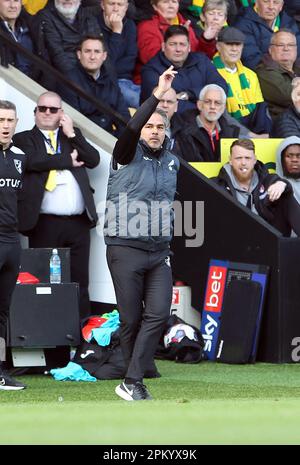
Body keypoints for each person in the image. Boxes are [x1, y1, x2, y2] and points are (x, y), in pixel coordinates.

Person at [104, 66, 179, 401]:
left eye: (160, 128)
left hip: (158, 251)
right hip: (124, 248)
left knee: (159, 313)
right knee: (130, 319)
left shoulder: (172, 161)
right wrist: (157, 95)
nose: (154, 131)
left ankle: (132, 380)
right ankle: (132, 378)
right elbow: (132, 127)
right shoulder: (125, 153)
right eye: (150, 126)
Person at [13, 91, 100, 320]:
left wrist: (72, 134)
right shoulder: (23, 139)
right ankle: (48, 332)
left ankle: (83, 335)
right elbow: (31, 161)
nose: (48, 113)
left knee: (80, 280)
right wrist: (66, 160)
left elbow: (93, 159)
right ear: (35, 113)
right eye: (43, 108)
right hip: (44, 223)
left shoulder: (70, 136)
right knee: (44, 280)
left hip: (79, 223)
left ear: (62, 113)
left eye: (53, 109)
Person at [215, 138, 300, 236]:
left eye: (247, 158)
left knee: (285, 196)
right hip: (235, 238)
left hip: (269, 240)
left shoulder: (267, 180)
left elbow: (277, 181)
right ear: (230, 160)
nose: (243, 162)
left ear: (254, 160)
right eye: (238, 158)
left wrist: (283, 184)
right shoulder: (218, 184)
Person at [141, 24, 227, 113]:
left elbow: (221, 87)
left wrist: (188, 94)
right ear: (163, 46)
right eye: (173, 44)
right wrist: (204, 103)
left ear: (189, 47)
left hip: (210, 117)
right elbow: (165, 105)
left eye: (182, 44)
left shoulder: (202, 60)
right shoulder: (151, 70)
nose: (178, 49)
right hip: (172, 123)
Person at [0, 100, 26, 390]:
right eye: (0, 120)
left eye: (10, 120)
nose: (5, 126)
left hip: (11, 239)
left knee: (2, 310)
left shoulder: (20, 156)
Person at [59, 34, 130, 136]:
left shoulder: (110, 79)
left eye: (97, 52)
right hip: (84, 139)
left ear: (104, 56)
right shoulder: (68, 80)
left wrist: (120, 141)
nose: (92, 57)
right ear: (79, 54)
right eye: (87, 51)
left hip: (110, 138)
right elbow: (73, 121)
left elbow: (124, 117)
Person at [213, 26, 272, 135]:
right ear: (218, 46)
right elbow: (221, 115)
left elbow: (260, 111)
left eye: (238, 44)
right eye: (229, 44)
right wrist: (250, 135)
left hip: (253, 127)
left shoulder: (251, 75)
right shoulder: (211, 72)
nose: (234, 49)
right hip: (227, 130)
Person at [134, 0, 199, 85]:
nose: (171, 6)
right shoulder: (147, 27)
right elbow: (151, 59)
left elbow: (198, 56)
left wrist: (207, 40)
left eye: (174, 2)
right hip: (156, 80)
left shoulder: (185, 26)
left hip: (185, 77)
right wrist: (177, 39)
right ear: (155, 6)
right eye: (165, 2)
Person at [174, 84, 241, 162]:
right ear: (199, 105)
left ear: (223, 108)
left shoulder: (231, 133)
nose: (212, 106)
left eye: (217, 103)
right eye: (208, 102)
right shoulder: (182, 131)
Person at [34, 0, 100, 73]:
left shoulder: (87, 14)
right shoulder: (45, 16)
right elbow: (57, 54)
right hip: (63, 76)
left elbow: (99, 48)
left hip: (93, 73)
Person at [96, 0, 140, 108]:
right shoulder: (94, 23)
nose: (116, 8)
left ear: (126, 7)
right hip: (103, 82)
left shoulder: (130, 25)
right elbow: (104, 65)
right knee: (137, 100)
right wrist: (117, 32)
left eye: (120, 4)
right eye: (111, 4)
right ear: (102, 5)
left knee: (157, 98)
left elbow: (130, 60)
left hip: (125, 80)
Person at [234, 0, 300, 70]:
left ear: (281, 6)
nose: (271, 7)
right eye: (266, 1)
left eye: (276, 2)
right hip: (265, 76)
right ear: (256, 2)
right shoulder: (243, 24)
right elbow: (252, 61)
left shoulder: (289, 22)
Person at [256, 29, 300, 120]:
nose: (286, 48)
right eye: (280, 45)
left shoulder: (297, 66)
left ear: (296, 49)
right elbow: (290, 96)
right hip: (284, 125)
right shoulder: (265, 71)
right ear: (270, 50)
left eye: (291, 45)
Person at [0, 0, 36, 77]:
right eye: (7, 0)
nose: (12, 6)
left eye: (16, 0)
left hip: (34, 86)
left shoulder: (31, 28)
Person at [276, 136, 300, 205]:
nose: (294, 160)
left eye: (299, 156)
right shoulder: (274, 186)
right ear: (281, 159)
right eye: (289, 156)